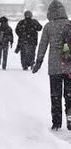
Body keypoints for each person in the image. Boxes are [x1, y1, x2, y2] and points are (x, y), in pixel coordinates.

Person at [32, 0, 71, 131]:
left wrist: (38, 61)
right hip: (69, 65)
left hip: (54, 67)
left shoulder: (49, 26)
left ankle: (56, 122)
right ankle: (70, 116)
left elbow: (42, 45)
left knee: (56, 95)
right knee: (69, 94)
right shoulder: (69, 24)